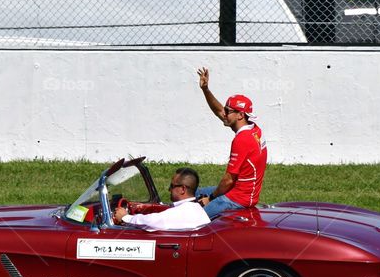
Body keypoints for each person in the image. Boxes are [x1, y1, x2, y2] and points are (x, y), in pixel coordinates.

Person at [196, 67, 268, 216]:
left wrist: (211, 199)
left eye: (228, 111)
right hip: (243, 193)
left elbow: (228, 180)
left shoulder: (242, 140)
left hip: (237, 199)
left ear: (240, 115)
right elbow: (218, 110)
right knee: (194, 191)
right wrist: (205, 89)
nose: (224, 113)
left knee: (196, 217)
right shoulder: (254, 129)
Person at [113, 167, 210, 231]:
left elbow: (151, 221)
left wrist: (125, 217)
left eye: (172, 186)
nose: (169, 189)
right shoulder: (195, 207)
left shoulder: (182, 211)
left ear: (183, 189)